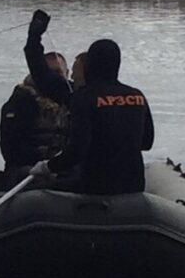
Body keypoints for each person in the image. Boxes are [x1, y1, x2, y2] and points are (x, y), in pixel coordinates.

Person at [33, 37, 154, 194]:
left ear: (90, 65)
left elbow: (77, 150)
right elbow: (147, 142)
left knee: (34, 191)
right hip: (133, 185)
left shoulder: (84, 98)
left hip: (95, 186)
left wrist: (47, 167)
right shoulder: (137, 96)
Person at [0, 11, 72, 179]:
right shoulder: (22, 100)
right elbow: (11, 148)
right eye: (52, 72)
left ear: (68, 73)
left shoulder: (73, 96)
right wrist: (44, 164)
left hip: (62, 168)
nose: (57, 77)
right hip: (29, 169)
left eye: (61, 72)